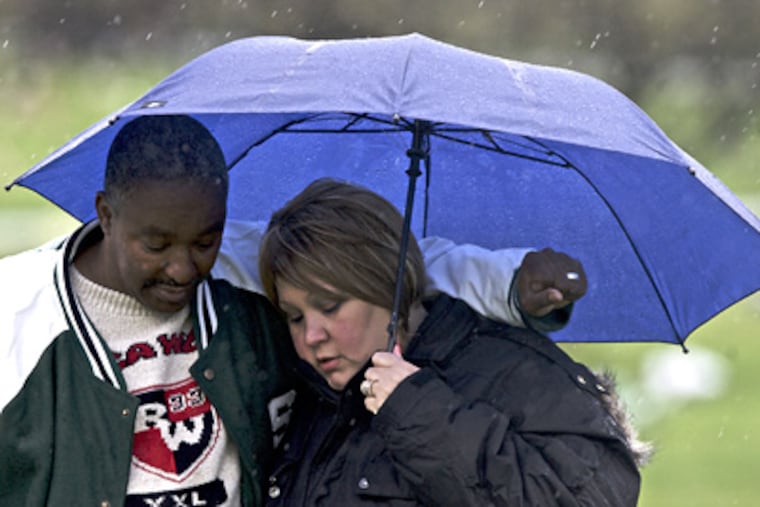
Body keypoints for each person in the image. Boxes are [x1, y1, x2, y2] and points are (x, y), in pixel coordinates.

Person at [0, 114, 588, 507]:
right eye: (155, 245)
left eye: (203, 241)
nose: (182, 268)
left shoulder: (238, 271)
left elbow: (381, 265)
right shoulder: (16, 312)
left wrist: (509, 281)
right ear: (105, 213)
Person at [257, 178, 650, 506]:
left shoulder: (515, 373)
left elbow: (594, 496)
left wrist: (417, 411)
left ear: (384, 284)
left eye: (330, 306)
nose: (311, 336)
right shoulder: (309, 395)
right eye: (295, 317)